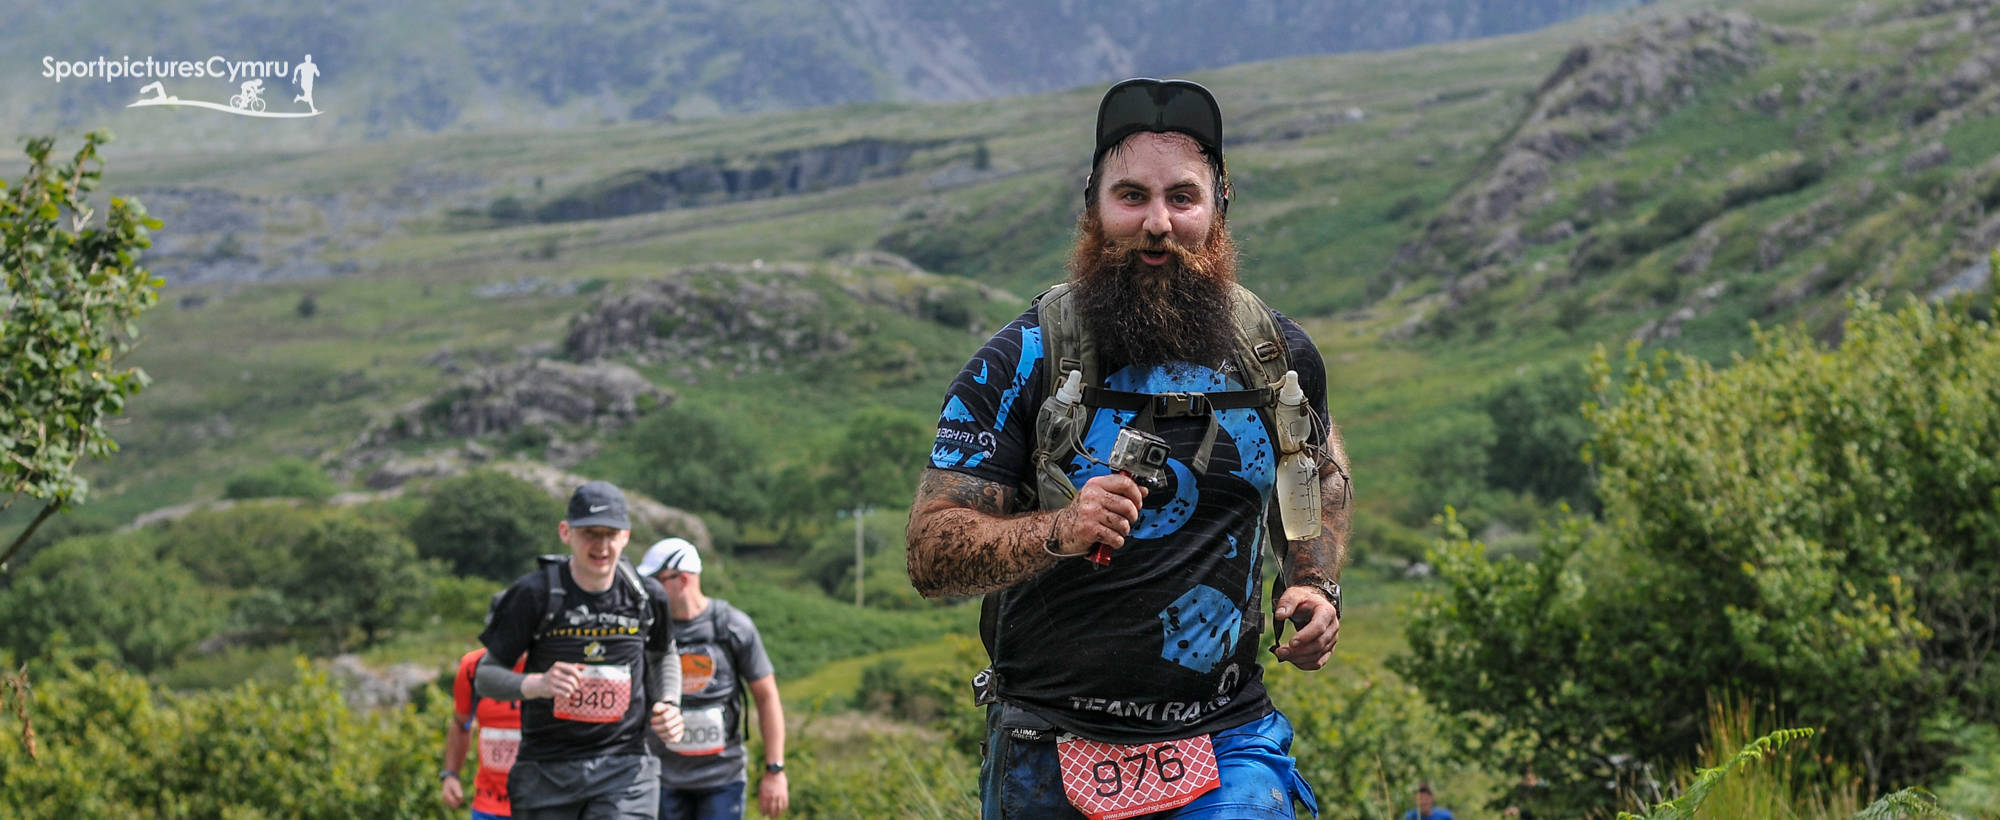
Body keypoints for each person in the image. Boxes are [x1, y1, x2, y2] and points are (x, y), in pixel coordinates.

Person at [906, 77, 1352, 819]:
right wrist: (1060, 530)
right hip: (1050, 739)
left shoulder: (1277, 355)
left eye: (1183, 197)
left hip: (1226, 739)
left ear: (1217, 211)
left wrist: (1311, 585)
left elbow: (1318, 475)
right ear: (1093, 208)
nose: (1158, 223)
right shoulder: (1022, 358)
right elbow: (931, 554)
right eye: (1132, 196)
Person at [478, 480, 686, 820]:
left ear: (626, 536)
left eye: (611, 533)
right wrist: (538, 684)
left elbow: (663, 654)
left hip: (625, 765)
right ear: (566, 532)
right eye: (590, 533)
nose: (601, 545)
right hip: (546, 769)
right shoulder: (533, 594)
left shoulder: (647, 596)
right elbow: (486, 676)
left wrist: (670, 703)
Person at [635, 538, 790, 819]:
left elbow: (767, 697)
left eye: (655, 582)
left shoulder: (733, 625)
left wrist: (775, 770)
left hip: (723, 780)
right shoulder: (647, 630)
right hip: (661, 778)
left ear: (681, 579)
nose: (648, 592)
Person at [445, 643, 524, 819]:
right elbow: (461, 724)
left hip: (545, 805)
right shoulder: (473, 666)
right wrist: (451, 774)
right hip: (488, 807)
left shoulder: (554, 665)